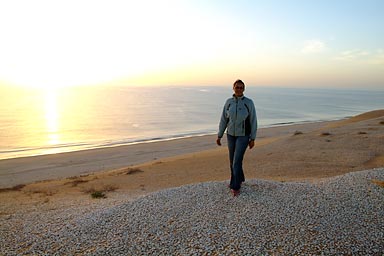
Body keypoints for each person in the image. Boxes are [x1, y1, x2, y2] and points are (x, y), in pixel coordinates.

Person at [216, 79, 258, 197]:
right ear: (233, 88)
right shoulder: (229, 102)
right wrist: (219, 135)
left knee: (236, 161)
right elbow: (224, 119)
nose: (239, 89)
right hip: (230, 135)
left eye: (241, 87)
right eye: (237, 87)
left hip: (243, 136)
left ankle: (235, 186)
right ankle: (239, 178)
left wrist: (252, 138)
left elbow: (253, 120)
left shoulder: (248, 102)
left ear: (244, 89)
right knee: (232, 160)